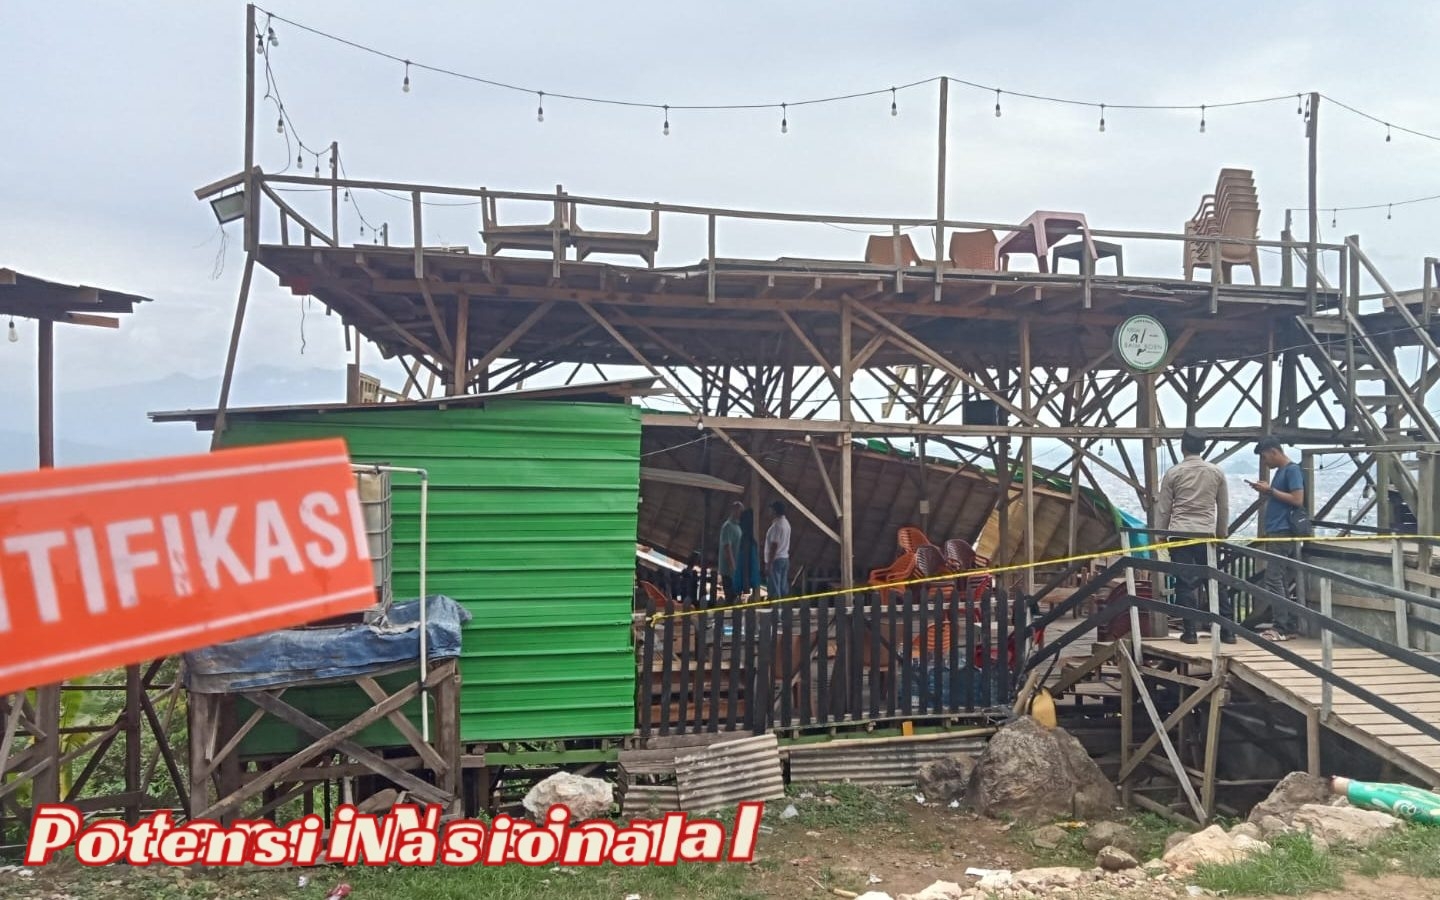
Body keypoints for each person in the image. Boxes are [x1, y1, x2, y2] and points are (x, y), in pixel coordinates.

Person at [1156, 428, 1232, 644]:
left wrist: (1161, 535)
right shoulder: (1216, 472)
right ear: (1203, 447)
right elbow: (1223, 507)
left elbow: (1164, 508)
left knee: (1185, 582)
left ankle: (1190, 632)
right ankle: (1228, 631)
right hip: (1206, 534)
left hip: (1180, 533)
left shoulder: (1174, 473)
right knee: (1214, 580)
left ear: (1183, 447)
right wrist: (1221, 534)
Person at [1251, 436, 1306, 637]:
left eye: (1265, 457)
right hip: (1277, 530)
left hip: (1283, 531)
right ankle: (1287, 622)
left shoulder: (1292, 470)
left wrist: (1270, 490)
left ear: (1274, 452)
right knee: (1279, 578)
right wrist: (1269, 490)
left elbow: (1297, 499)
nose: (1265, 462)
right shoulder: (1283, 471)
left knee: (1273, 578)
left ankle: (1280, 625)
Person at [763, 500, 792, 600]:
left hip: (776, 560)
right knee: (782, 588)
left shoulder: (776, 526)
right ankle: (785, 607)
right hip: (784, 558)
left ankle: (776, 608)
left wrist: (769, 564)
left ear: (775, 511)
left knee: (774, 589)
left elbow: (774, 545)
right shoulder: (786, 523)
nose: (769, 511)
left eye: (771, 509)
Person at [717, 501, 744, 600]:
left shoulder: (738, 526)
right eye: (739, 511)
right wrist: (733, 567)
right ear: (734, 510)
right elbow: (727, 548)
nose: (740, 514)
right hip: (729, 570)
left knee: (736, 597)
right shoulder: (727, 526)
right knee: (730, 597)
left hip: (736, 568)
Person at [736, 508, 762, 598]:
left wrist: (745, 587)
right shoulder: (751, 539)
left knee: (745, 566)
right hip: (750, 577)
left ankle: (745, 590)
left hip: (744, 580)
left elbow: (745, 565)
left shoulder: (745, 539)